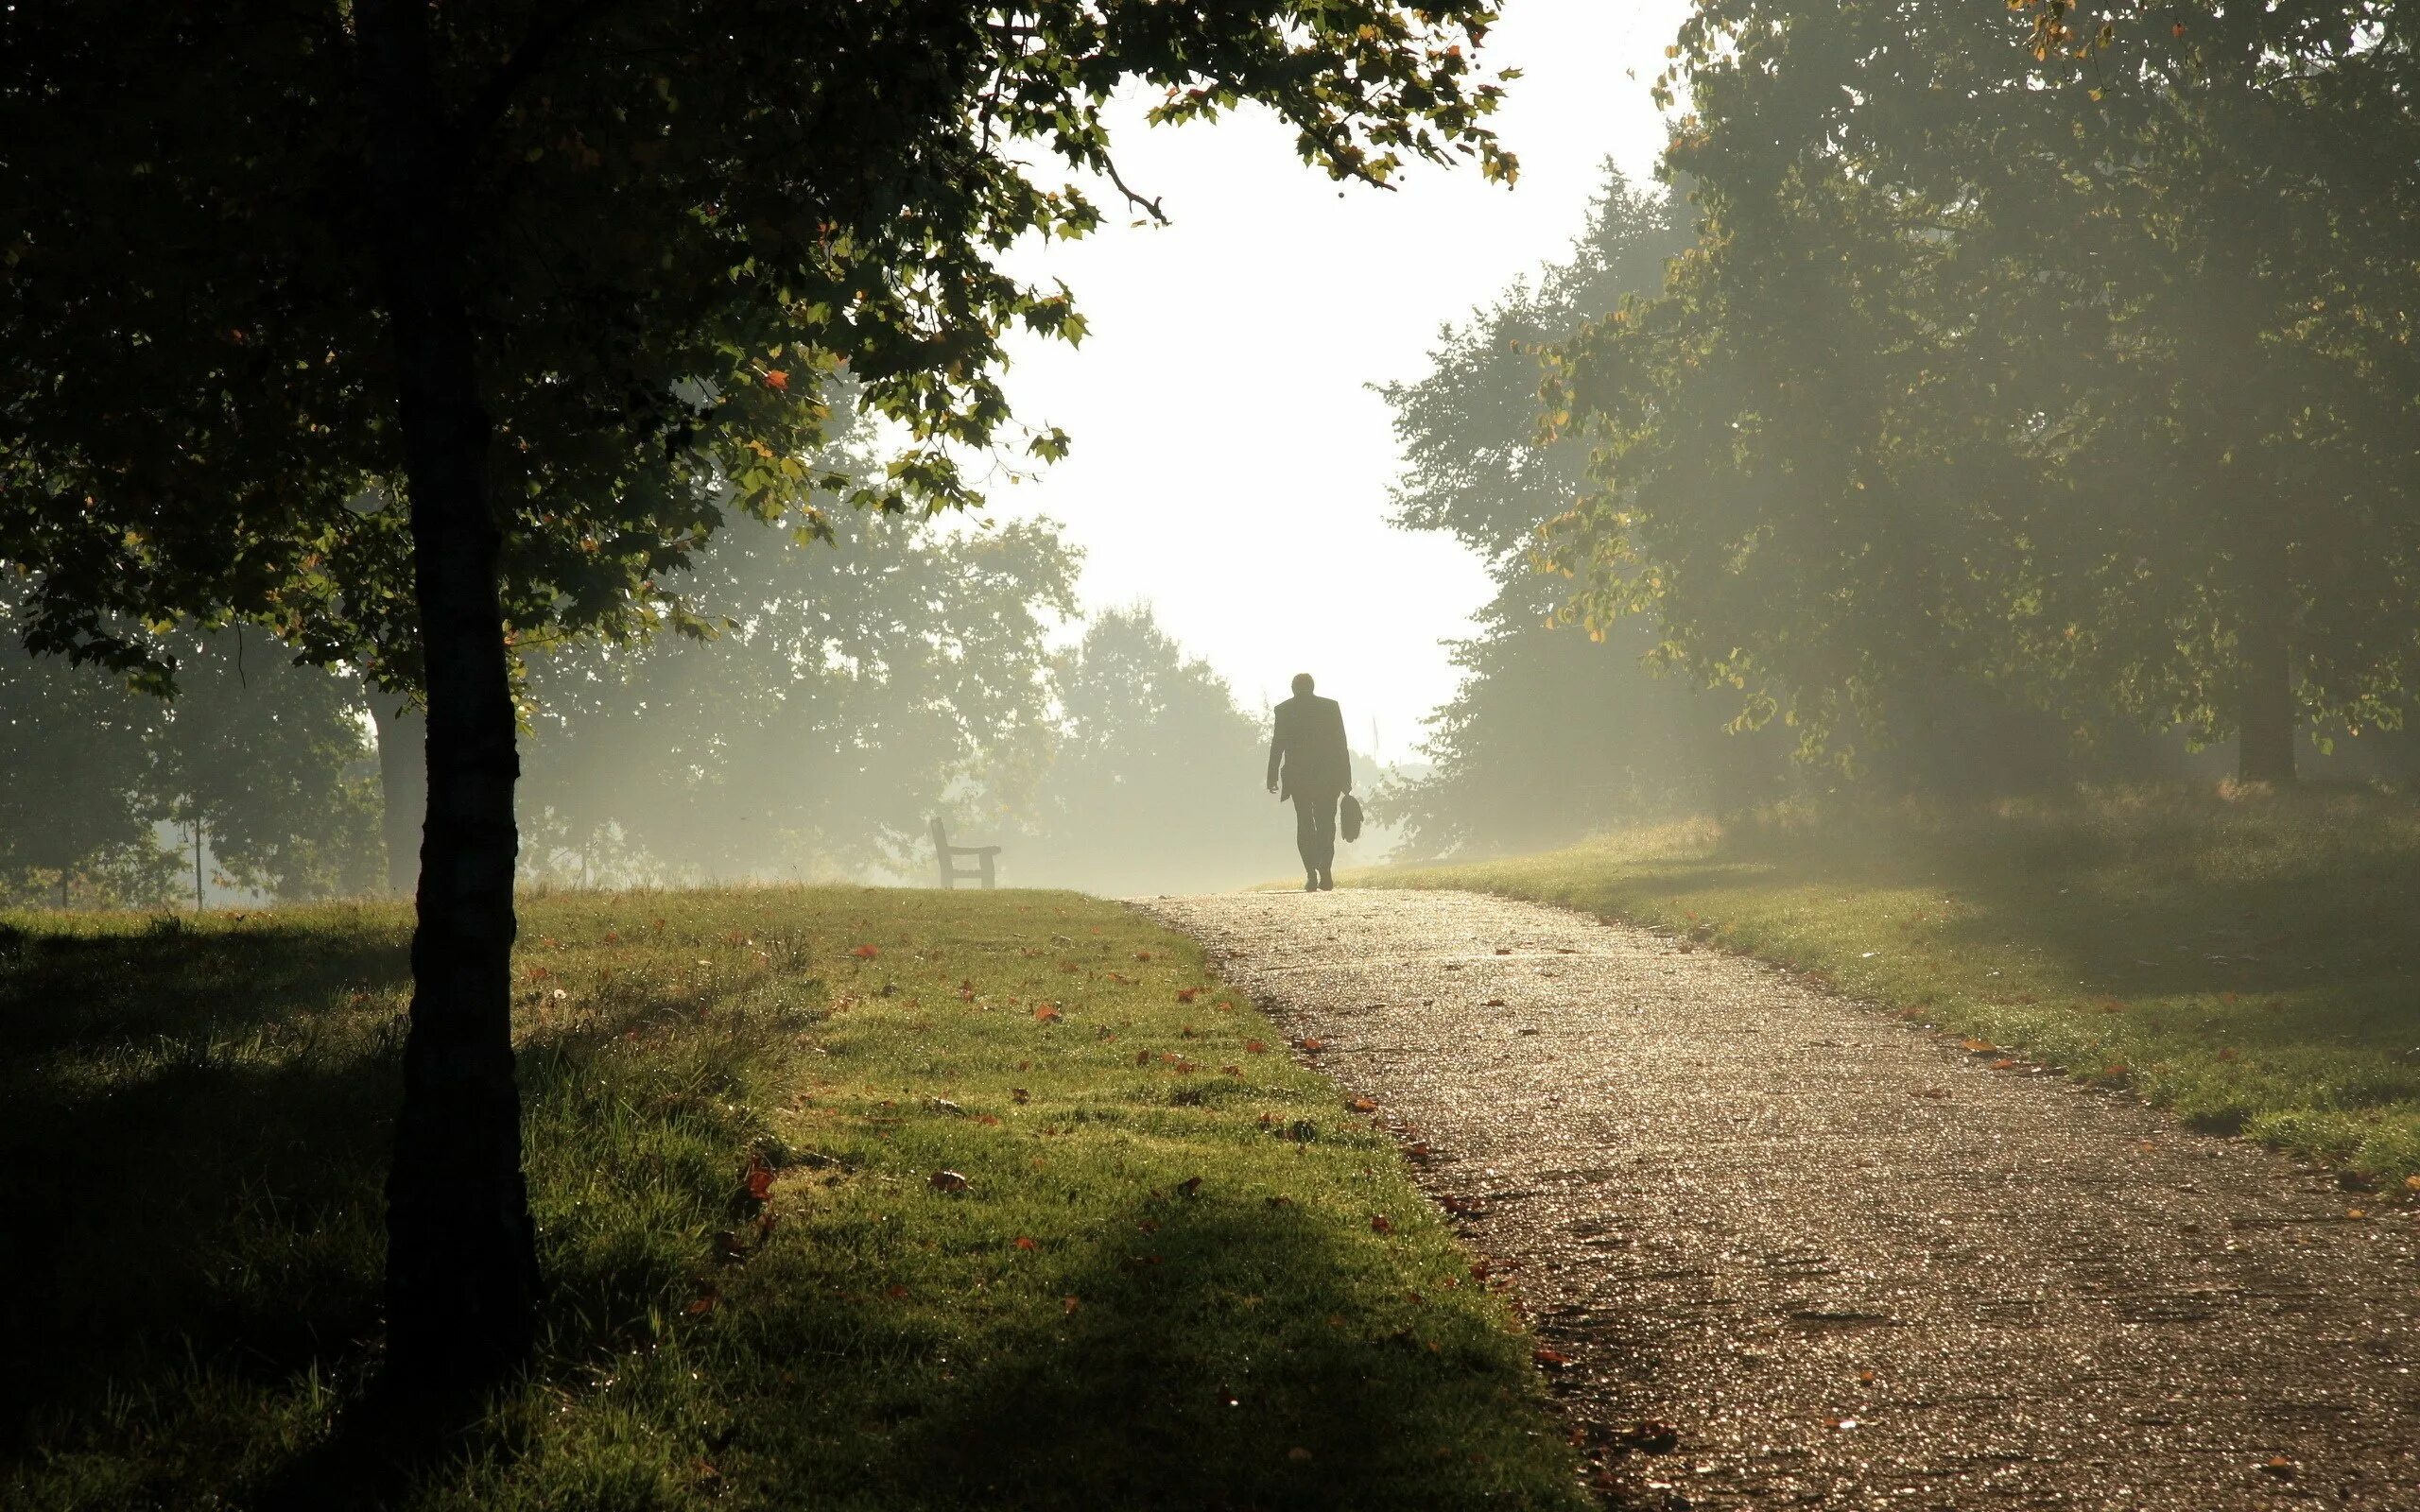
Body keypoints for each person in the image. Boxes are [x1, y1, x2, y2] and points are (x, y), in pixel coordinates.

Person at [1266, 672, 1352, 891]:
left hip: (1299, 777)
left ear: (1293, 689)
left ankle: (1311, 873)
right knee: (1326, 824)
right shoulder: (1330, 707)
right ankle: (1325, 870)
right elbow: (1341, 744)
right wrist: (1346, 778)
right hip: (1328, 777)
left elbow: (1278, 744)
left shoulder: (1284, 710)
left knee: (1304, 823)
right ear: (1312, 687)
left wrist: (1272, 775)